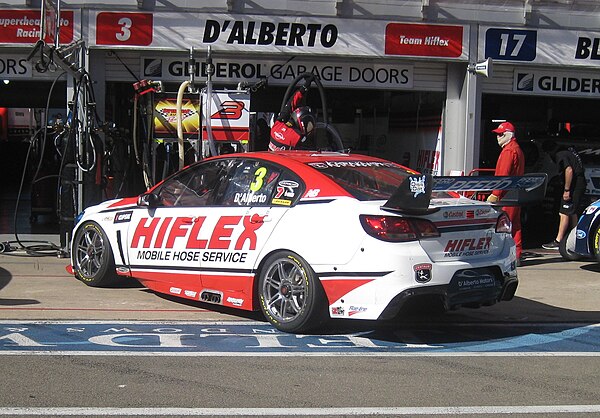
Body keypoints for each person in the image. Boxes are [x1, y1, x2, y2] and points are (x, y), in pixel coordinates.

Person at [486, 121, 525, 263]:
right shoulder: (517, 149)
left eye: (500, 134)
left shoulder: (509, 151)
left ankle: (506, 256)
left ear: (508, 135)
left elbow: (503, 175)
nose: (498, 137)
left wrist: (495, 194)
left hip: (506, 195)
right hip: (515, 194)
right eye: (497, 134)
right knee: (514, 226)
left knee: (503, 226)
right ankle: (517, 254)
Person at [542, 145, 585, 250]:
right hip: (580, 183)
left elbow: (569, 170)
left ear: (549, 152)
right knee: (572, 212)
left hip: (574, 185)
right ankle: (577, 238)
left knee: (564, 212)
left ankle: (558, 241)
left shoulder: (560, 155)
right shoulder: (569, 152)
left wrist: (566, 190)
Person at [269, 77, 316, 151]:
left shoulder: (277, 125)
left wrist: (303, 89)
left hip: (270, 160)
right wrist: (303, 89)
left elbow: (289, 106)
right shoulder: (297, 138)